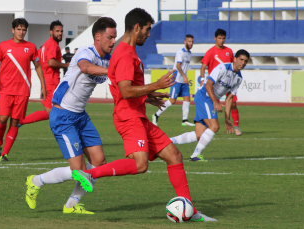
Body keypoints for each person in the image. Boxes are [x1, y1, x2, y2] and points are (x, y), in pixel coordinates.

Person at [71, 8, 217, 222]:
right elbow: (125, 90)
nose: (149, 35)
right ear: (137, 27)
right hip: (128, 118)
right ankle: (89, 173)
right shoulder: (124, 55)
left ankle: (190, 210)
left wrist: (149, 95)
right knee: (140, 164)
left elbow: (128, 90)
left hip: (137, 116)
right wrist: (155, 84)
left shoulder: (128, 52)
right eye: (147, 30)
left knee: (174, 156)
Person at [24, 17, 117, 214]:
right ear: (98, 36)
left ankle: (71, 206)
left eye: (115, 37)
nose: (113, 41)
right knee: (79, 171)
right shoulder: (86, 52)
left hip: (80, 116)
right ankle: (34, 182)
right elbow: (85, 67)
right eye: (110, 37)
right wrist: (113, 71)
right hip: (63, 114)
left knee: (99, 162)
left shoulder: (108, 58)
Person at [170, 50, 250, 162]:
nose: (243, 63)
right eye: (241, 59)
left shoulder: (239, 78)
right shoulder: (223, 68)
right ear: (235, 59)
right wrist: (215, 102)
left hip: (209, 99)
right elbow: (208, 84)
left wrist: (227, 119)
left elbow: (229, 98)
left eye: (246, 61)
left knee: (199, 135)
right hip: (204, 96)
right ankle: (195, 155)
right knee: (214, 126)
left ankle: (168, 141)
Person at [0, 18, 46, 162]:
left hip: (23, 90)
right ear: (13, 30)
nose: (21, 32)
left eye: (24, 30)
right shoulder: (3, 46)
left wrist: (43, 85)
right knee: (2, 119)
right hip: (5, 89)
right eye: (19, 29)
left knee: (15, 122)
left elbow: (38, 66)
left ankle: (5, 154)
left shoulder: (32, 47)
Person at [19, 20, 69, 127]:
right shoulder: (53, 45)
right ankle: (21, 121)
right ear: (51, 32)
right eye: (57, 31)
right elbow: (51, 62)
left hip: (47, 81)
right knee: (52, 113)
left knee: (51, 112)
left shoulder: (45, 45)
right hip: (51, 81)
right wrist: (66, 65)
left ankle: (21, 121)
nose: (60, 33)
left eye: (61, 31)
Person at [200, 28, 241, 136]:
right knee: (212, 105)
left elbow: (234, 64)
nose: (221, 40)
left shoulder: (229, 51)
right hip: (215, 84)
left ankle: (236, 126)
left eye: (223, 38)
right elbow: (203, 66)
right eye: (219, 38)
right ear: (215, 38)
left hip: (229, 81)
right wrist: (202, 79)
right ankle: (209, 126)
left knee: (232, 103)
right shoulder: (210, 52)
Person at [152, 34, 195, 127]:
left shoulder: (189, 53)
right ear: (185, 42)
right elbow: (178, 66)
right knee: (172, 101)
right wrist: (184, 76)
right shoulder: (181, 52)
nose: (191, 43)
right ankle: (156, 115)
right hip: (177, 79)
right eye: (189, 41)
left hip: (184, 80)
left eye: (192, 41)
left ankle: (184, 120)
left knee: (187, 98)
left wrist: (185, 77)